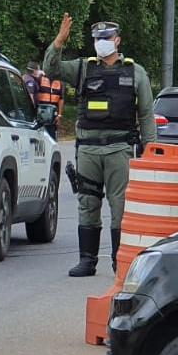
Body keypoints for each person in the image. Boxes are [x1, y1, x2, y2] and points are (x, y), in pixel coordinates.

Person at [43, 15, 156, 276]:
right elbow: (51, 70)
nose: (101, 43)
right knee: (87, 202)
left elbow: (147, 114)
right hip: (88, 150)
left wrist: (150, 149)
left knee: (121, 205)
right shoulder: (83, 68)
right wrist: (59, 42)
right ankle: (87, 260)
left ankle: (120, 261)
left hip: (119, 149)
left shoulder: (135, 72)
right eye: (97, 39)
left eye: (106, 38)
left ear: (117, 40)